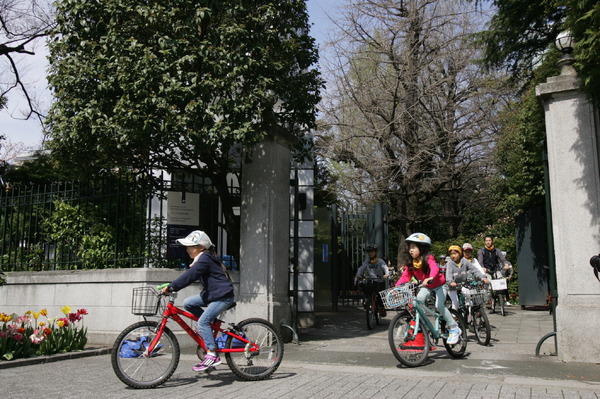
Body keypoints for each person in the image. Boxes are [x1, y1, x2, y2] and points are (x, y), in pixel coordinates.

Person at [161, 230, 234, 372]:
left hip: (223, 296)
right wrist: (170, 285)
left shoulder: (205, 258)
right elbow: (189, 275)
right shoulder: (202, 258)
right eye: (187, 247)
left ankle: (212, 354)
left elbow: (191, 275)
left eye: (191, 247)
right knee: (189, 303)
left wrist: (172, 286)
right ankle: (208, 327)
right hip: (212, 295)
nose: (187, 250)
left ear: (201, 247)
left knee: (202, 322)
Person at [395, 233, 462, 344]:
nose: (410, 250)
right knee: (418, 301)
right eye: (410, 248)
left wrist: (431, 277)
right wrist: (397, 288)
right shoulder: (411, 263)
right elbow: (405, 276)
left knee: (439, 305)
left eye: (413, 247)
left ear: (421, 248)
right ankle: (424, 324)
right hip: (427, 286)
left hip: (440, 285)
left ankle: (454, 328)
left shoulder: (428, 258)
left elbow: (434, 268)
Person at [445, 245, 490, 310]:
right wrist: (451, 282)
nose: (453, 256)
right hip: (452, 287)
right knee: (456, 303)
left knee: (469, 302)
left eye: (455, 253)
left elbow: (474, 270)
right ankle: (454, 317)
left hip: (463, 285)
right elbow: (448, 275)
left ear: (460, 253)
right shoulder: (450, 263)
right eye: (451, 254)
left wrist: (482, 277)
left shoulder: (464, 261)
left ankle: (469, 315)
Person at [355, 244, 389, 316]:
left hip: (379, 281)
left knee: (380, 295)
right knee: (364, 287)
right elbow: (361, 268)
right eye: (369, 252)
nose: (370, 253)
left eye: (372, 252)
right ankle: (367, 300)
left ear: (375, 252)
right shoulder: (367, 261)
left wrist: (386, 274)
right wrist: (358, 274)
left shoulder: (380, 261)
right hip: (371, 280)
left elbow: (385, 268)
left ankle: (381, 308)